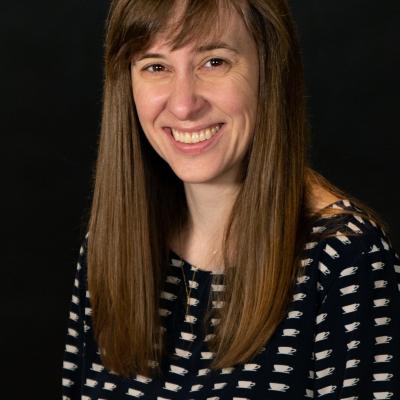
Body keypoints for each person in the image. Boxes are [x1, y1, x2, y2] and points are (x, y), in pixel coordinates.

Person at [62, 0, 400, 398]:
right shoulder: (111, 244)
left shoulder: (346, 260)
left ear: (270, 68)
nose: (185, 104)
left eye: (214, 62)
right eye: (156, 66)